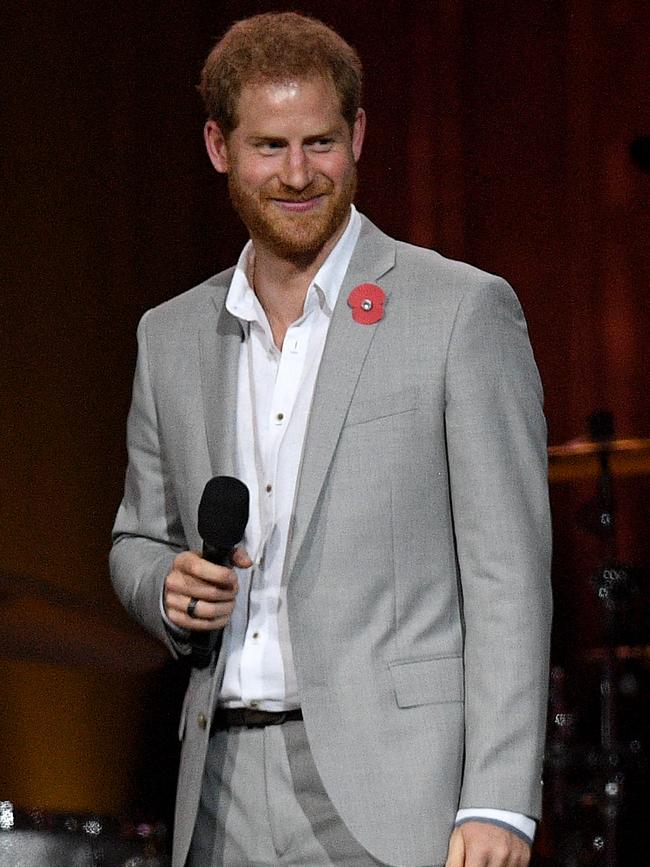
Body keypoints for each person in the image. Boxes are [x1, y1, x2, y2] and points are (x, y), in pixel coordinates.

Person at [110, 11, 552, 867]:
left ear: (358, 135)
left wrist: (499, 797)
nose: (299, 173)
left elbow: (508, 574)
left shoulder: (459, 310)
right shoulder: (168, 336)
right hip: (221, 786)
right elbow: (135, 536)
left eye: (320, 142)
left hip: (399, 794)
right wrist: (165, 587)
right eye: (270, 147)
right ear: (218, 146)